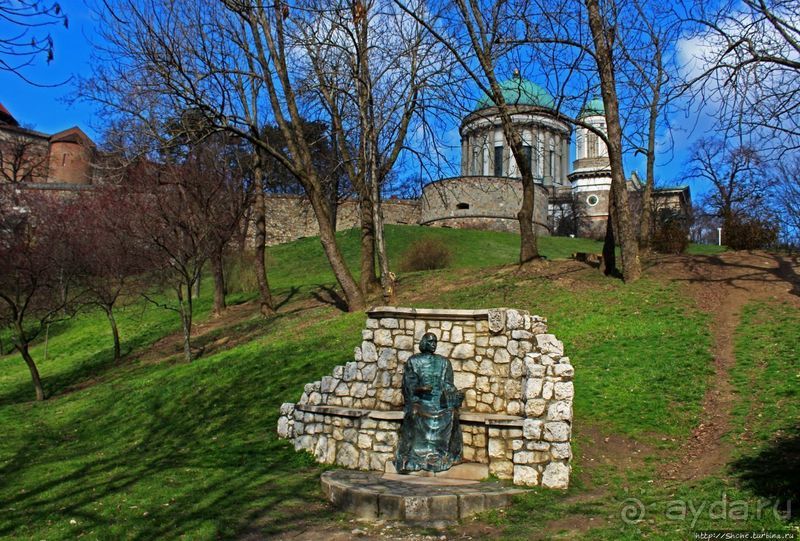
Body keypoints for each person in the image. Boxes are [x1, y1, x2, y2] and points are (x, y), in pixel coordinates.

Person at [394, 332, 464, 473]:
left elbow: (448, 384)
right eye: (431, 341)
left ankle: (442, 454)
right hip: (420, 401)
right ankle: (413, 455)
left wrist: (454, 393)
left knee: (451, 414)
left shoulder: (444, 362)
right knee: (414, 413)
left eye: (435, 342)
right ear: (424, 342)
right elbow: (408, 385)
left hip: (438, 402)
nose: (433, 344)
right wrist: (420, 389)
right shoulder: (413, 361)